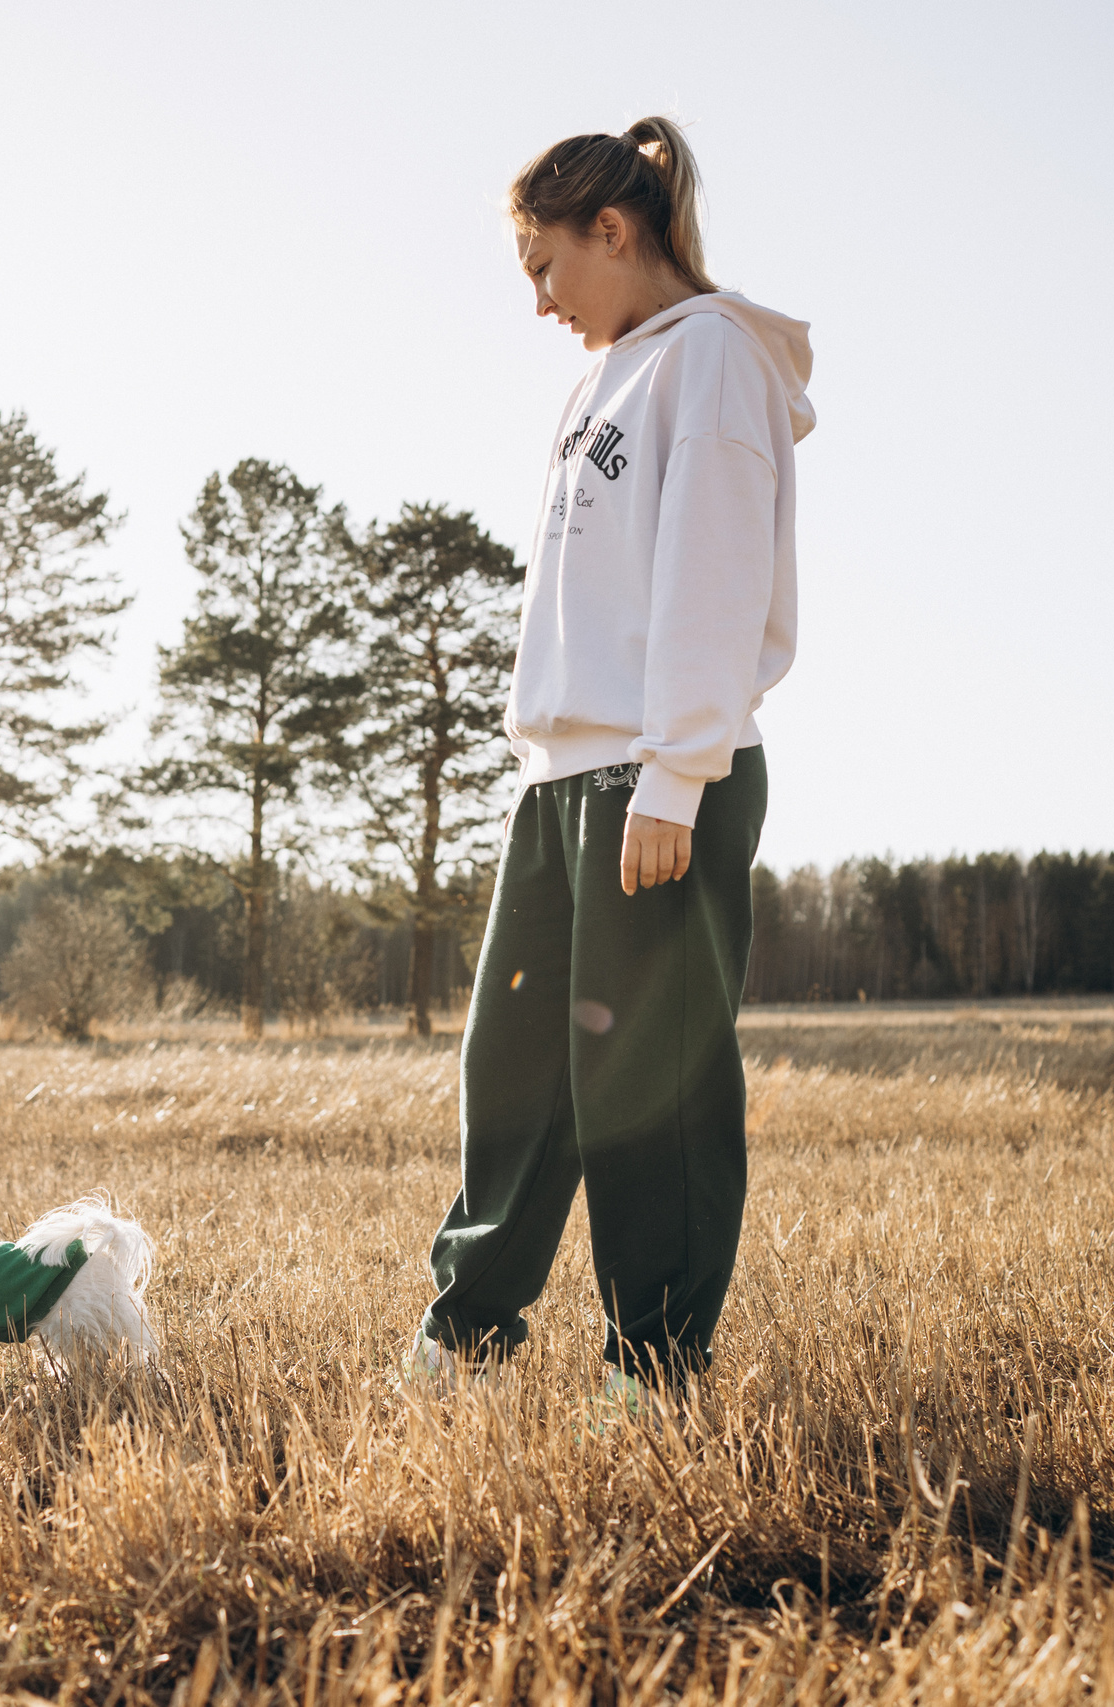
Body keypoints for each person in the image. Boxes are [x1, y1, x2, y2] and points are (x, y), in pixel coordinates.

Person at [408, 116, 814, 1403]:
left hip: (659, 777)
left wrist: (674, 775)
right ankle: (465, 1341)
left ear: (613, 229)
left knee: (653, 1088)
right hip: (558, 780)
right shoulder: (602, 379)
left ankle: (655, 1371)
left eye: (545, 267)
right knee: (513, 1073)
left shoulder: (713, 358)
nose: (540, 302)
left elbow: (712, 578)